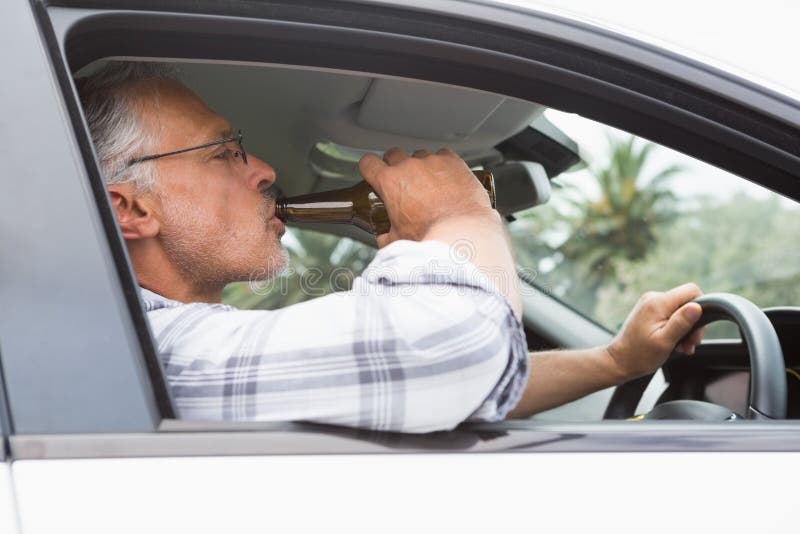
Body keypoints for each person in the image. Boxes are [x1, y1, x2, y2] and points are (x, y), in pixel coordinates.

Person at [77, 62, 705, 432]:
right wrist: (462, 217)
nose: (264, 169)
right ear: (130, 207)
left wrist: (616, 362)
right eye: (225, 152)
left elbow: (454, 379)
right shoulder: (162, 358)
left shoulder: (190, 341)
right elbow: (448, 353)